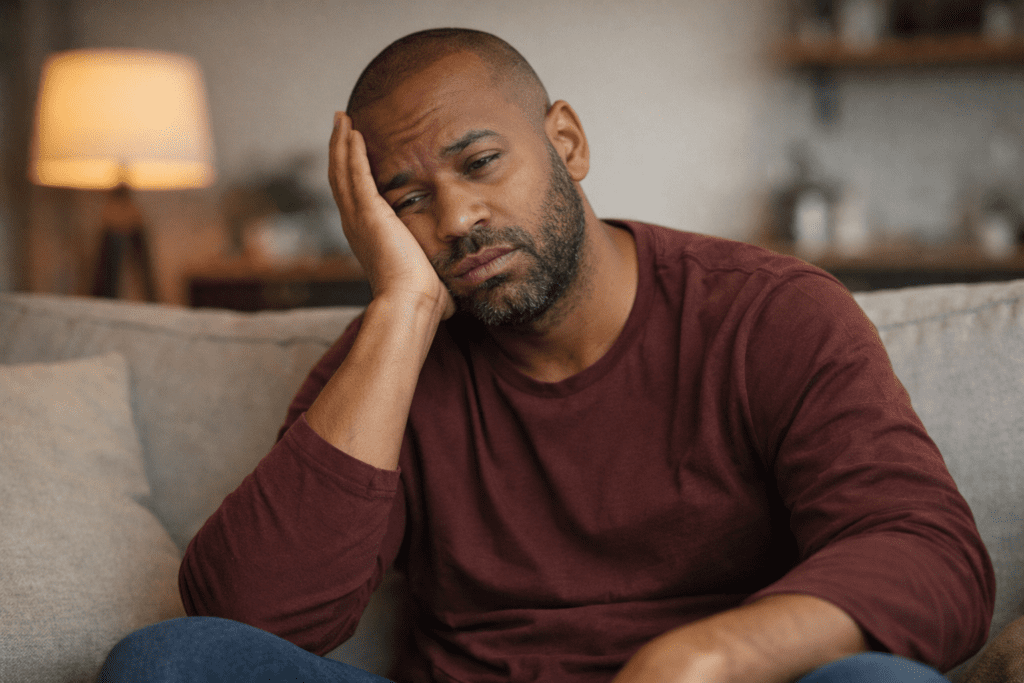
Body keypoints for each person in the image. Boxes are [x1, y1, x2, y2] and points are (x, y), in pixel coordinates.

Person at [100, 28, 995, 683]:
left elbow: (931, 554)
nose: (454, 220)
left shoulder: (771, 314)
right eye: (406, 199)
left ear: (566, 142)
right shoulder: (389, 358)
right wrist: (405, 308)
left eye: (481, 163)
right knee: (170, 661)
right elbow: (250, 616)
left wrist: (710, 652)